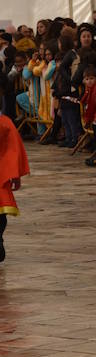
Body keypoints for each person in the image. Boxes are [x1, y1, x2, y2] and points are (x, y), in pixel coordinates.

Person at [0, 100, 29, 263]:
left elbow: (14, 150)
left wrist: (15, 174)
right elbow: (15, 149)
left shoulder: (5, 123)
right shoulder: (5, 122)